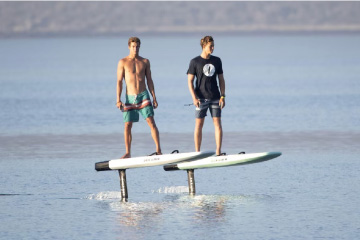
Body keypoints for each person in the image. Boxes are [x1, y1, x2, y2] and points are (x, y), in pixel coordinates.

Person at [116, 37, 161, 158]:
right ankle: (128, 152)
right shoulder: (123, 62)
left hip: (143, 95)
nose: (135, 49)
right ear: (129, 47)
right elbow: (119, 81)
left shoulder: (145, 61)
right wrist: (118, 99)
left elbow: (149, 80)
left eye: (137, 47)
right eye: (133, 47)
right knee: (127, 125)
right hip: (130, 97)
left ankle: (158, 150)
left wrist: (154, 97)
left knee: (151, 121)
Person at [187, 36, 225, 156]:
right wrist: (194, 98)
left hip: (215, 97)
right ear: (204, 46)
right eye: (210, 46)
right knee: (199, 124)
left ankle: (218, 151)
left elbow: (221, 79)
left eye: (213, 46)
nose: (213, 48)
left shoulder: (217, 60)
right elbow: (190, 81)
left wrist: (222, 96)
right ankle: (197, 152)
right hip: (200, 98)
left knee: (217, 123)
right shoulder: (195, 62)